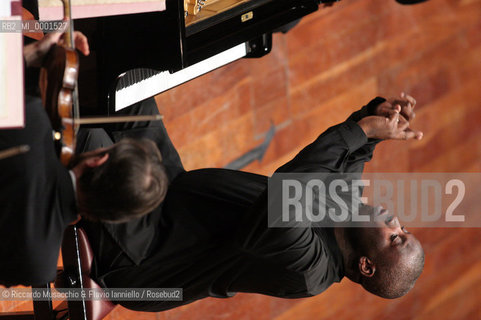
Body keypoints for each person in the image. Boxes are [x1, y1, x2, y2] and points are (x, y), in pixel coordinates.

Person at [80, 94, 424, 312]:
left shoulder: (307, 269)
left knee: (88, 138)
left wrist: (362, 131)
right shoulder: (343, 218)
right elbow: (346, 164)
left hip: (142, 252)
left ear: (366, 266)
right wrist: (376, 118)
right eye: (403, 227)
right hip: (172, 192)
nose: (394, 221)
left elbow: (290, 188)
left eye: (395, 237)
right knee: (127, 88)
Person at [0, 30, 168, 286]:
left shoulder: (32, 124)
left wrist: (31, 55)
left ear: (97, 160)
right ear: (109, 216)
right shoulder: (38, 268)